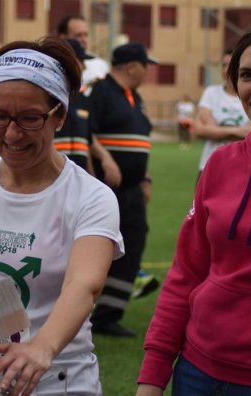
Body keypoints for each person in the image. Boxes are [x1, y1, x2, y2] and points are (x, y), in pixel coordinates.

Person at [0, 37, 124, 396]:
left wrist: (40, 349)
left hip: (58, 381)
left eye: (29, 118)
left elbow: (83, 286)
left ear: (59, 115)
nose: (11, 133)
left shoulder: (91, 196)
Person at [137, 18, 251, 395]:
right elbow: (186, 272)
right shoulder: (220, 163)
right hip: (196, 369)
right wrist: (153, 376)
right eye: (246, 75)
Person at [87, 42, 158, 338]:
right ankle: (82, 307)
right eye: (145, 65)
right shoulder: (101, 91)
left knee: (134, 240)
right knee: (99, 247)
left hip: (131, 188)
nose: (147, 71)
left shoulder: (135, 97)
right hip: (105, 188)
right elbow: (83, 130)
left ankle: (108, 314)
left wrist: (145, 177)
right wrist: (104, 159)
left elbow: (138, 142)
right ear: (131, 66)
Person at [193, 48, 251, 178]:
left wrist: (217, 131)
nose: (227, 69)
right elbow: (199, 130)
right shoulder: (210, 93)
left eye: (231, 65)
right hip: (209, 165)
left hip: (242, 167)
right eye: (224, 65)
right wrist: (237, 132)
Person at [53, 38, 95, 172]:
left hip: (78, 174)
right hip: (52, 172)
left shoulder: (82, 99)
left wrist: (91, 175)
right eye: (81, 61)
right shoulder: (48, 97)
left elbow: (86, 142)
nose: (84, 67)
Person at [57, 15, 109, 85]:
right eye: (78, 35)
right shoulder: (54, 64)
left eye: (86, 35)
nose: (83, 40)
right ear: (63, 37)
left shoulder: (99, 64)